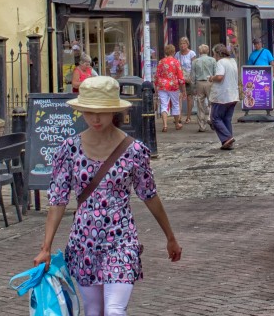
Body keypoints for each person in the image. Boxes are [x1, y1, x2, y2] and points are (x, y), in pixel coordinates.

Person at [34, 76, 181, 315]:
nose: (95, 118)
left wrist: (170, 237)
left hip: (121, 239)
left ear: (114, 110)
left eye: (101, 112)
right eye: (89, 111)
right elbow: (58, 201)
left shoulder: (134, 151)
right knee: (94, 310)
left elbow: (149, 195)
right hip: (84, 242)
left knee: (114, 310)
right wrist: (46, 247)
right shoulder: (69, 149)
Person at [209, 44, 240, 150]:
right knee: (227, 118)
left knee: (215, 118)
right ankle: (228, 141)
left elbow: (220, 76)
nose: (214, 57)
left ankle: (227, 138)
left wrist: (212, 78)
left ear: (218, 53)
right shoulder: (232, 61)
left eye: (214, 54)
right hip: (233, 94)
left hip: (222, 95)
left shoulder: (221, 62)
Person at [153, 45, 184, 133]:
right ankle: (177, 124)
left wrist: (156, 86)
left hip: (162, 86)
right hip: (173, 86)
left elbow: (157, 75)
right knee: (175, 104)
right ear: (174, 52)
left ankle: (165, 125)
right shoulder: (176, 62)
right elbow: (181, 77)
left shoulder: (161, 62)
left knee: (163, 105)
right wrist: (183, 89)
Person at [189, 45, 217, 132]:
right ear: (208, 51)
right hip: (209, 82)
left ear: (199, 52)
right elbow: (215, 73)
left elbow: (192, 76)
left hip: (199, 83)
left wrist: (193, 87)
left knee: (200, 105)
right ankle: (211, 118)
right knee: (212, 102)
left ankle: (202, 126)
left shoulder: (195, 61)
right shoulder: (212, 60)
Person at [176, 38, 197, 125]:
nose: (182, 45)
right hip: (180, 78)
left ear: (187, 44)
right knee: (179, 97)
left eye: (184, 43)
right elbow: (176, 66)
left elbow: (194, 66)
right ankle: (179, 116)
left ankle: (188, 116)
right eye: (181, 43)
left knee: (189, 97)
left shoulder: (191, 53)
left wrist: (191, 78)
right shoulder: (177, 54)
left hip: (189, 78)